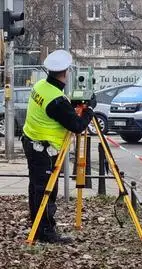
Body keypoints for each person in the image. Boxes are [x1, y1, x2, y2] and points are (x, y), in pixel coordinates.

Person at [22, 49, 96, 244]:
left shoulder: (41, 86)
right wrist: (90, 111)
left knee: (36, 188)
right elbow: (77, 126)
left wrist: (72, 106)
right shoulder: (56, 100)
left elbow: (59, 109)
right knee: (46, 190)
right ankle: (46, 232)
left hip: (31, 142)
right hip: (44, 150)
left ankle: (37, 226)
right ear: (66, 72)